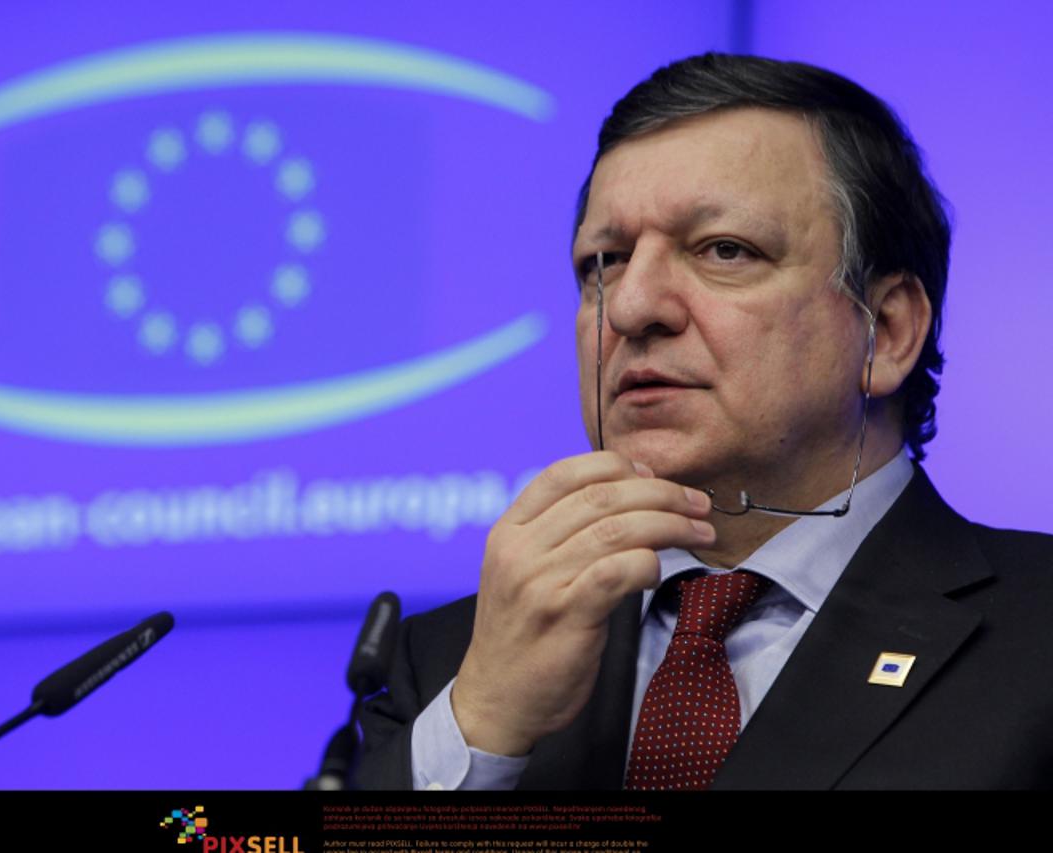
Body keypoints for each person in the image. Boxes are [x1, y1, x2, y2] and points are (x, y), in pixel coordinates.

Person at [355, 53, 1053, 790]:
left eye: (725, 250)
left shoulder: (1035, 636)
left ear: (887, 329)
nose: (630, 307)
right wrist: (488, 723)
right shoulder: (452, 664)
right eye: (605, 261)